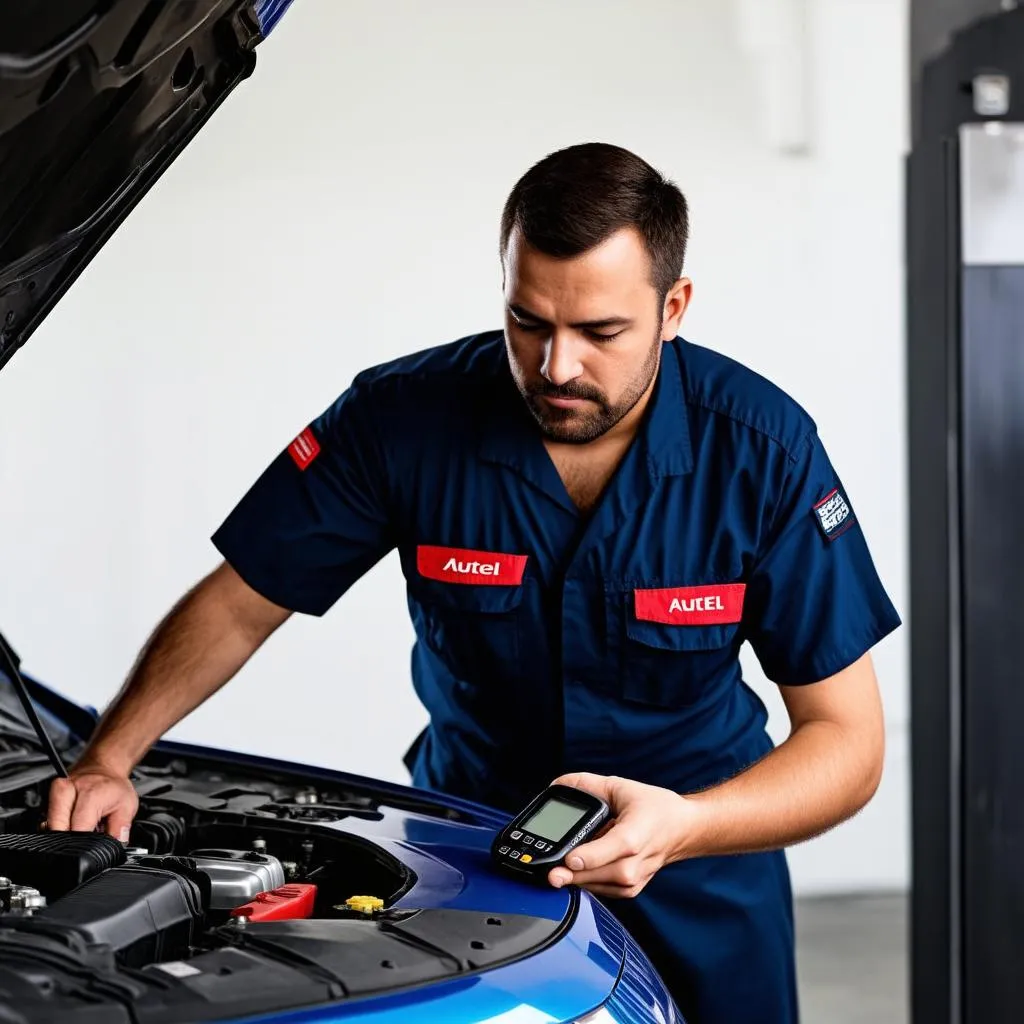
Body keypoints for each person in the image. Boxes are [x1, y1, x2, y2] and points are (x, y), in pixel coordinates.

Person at [46, 142, 900, 1023]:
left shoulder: (763, 450)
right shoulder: (400, 421)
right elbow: (240, 601)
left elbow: (847, 741)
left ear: (672, 308)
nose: (556, 366)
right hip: (468, 861)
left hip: (704, 868)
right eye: (528, 322)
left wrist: (686, 825)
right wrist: (111, 757)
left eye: (601, 333)